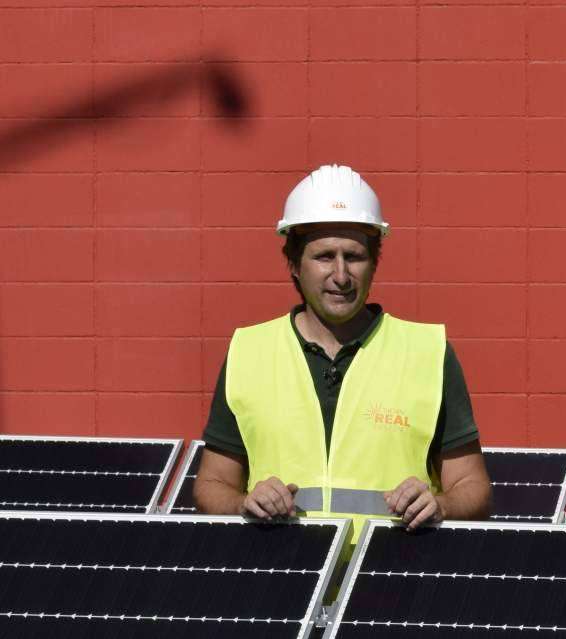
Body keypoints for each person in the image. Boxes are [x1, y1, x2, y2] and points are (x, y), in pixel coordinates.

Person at [194, 164, 491, 532]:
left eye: (353, 256)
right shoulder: (249, 351)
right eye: (324, 256)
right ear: (294, 264)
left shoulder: (428, 353)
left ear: (374, 263)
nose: (340, 275)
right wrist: (243, 502)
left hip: (392, 564)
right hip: (280, 564)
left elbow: (474, 488)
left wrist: (441, 504)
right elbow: (211, 485)